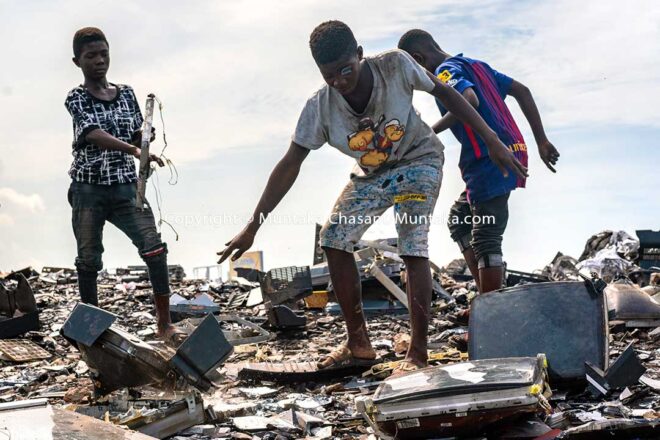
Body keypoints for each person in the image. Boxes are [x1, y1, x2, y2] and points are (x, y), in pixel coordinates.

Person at [218, 21, 526, 374]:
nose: (339, 82)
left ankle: (417, 354)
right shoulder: (320, 107)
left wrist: (491, 139)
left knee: (412, 242)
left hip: (419, 159)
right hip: (372, 175)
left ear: (360, 55)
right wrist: (252, 226)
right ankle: (358, 342)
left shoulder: (395, 65)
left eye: (345, 70)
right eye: (329, 75)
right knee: (333, 238)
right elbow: (290, 164)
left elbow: (448, 94)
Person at [398, 29, 559, 300]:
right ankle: (489, 298)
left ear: (418, 58)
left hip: (489, 156)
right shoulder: (476, 65)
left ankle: (494, 310)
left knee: (486, 236)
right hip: (510, 150)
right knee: (460, 220)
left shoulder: (445, 72)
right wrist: (541, 140)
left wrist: (426, 133)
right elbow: (522, 90)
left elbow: (468, 99)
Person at [65, 27, 182, 343]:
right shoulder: (76, 97)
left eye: (103, 54)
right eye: (91, 56)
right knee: (89, 259)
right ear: (78, 61)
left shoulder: (127, 93)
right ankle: (90, 330)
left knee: (154, 248)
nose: (99, 61)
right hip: (88, 188)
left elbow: (132, 135)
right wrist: (131, 149)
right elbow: (92, 133)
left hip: (125, 186)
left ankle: (165, 324)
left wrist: (143, 140)